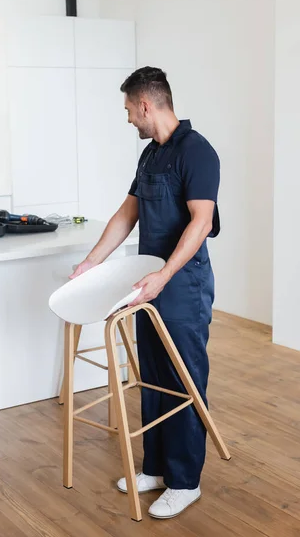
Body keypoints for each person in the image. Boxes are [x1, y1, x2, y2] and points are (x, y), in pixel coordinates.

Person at [71, 66, 220, 519]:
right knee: (152, 377)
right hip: (147, 283)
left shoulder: (197, 152)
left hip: (182, 285)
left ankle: (185, 481)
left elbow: (202, 221)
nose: (129, 121)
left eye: (129, 112)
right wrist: (93, 262)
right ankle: (155, 468)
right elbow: (127, 212)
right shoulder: (151, 155)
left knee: (183, 380)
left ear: (145, 104)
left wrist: (165, 275)